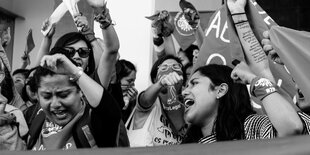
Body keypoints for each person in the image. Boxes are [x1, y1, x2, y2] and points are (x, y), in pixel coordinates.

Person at [182, 62, 310, 144]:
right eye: (186, 86)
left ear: (220, 90)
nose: (184, 92)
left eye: (194, 83)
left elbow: (291, 128)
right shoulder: (187, 146)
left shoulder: (250, 128)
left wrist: (252, 79)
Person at [26, 52, 121, 150]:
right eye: (47, 96)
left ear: (80, 90)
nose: (55, 104)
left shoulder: (92, 121)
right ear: (37, 96)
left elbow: (110, 112)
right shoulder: (38, 119)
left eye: (63, 95)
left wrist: (75, 72)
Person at [126, 55, 187, 146]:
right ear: (155, 79)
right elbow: (145, 100)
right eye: (164, 68)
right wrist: (161, 83)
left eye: (176, 67)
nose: (170, 72)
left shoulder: (187, 106)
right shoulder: (151, 99)